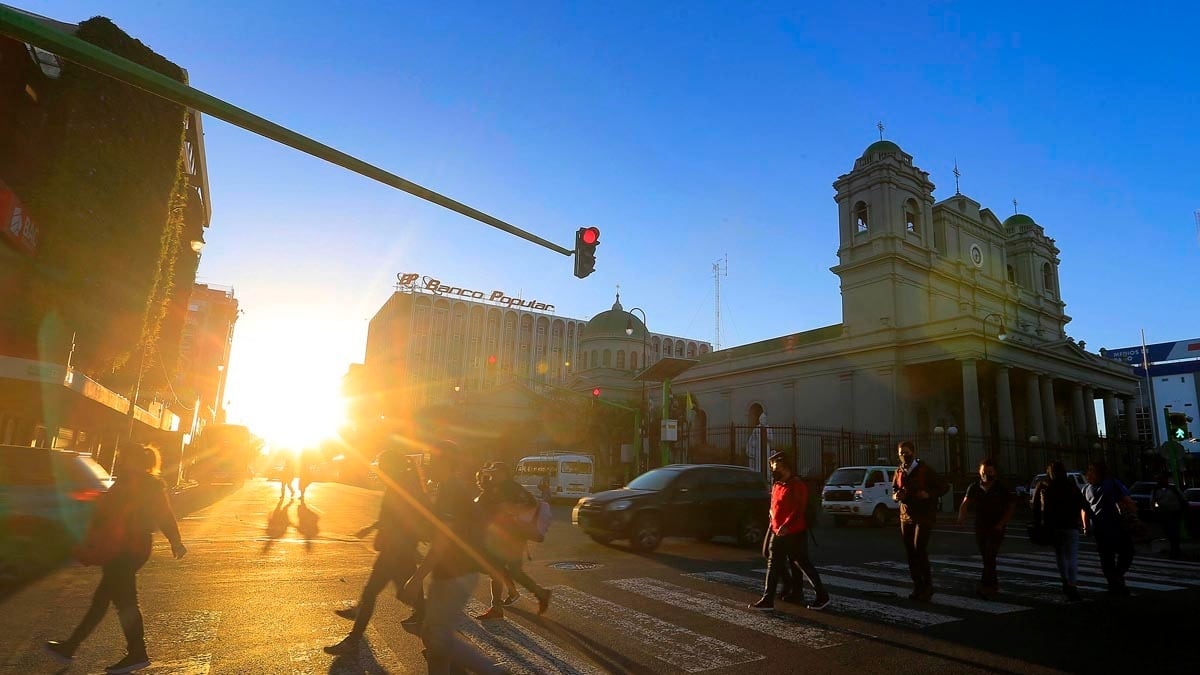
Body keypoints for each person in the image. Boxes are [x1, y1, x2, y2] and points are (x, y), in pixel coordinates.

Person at [44, 445, 187, 675]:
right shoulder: (129, 481)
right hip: (121, 546)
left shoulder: (147, 484)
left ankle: (137, 653)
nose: (121, 460)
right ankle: (71, 646)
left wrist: (176, 541)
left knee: (124, 602)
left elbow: (164, 515)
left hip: (129, 548)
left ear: (137, 461)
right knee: (103, 600)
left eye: (125, 457)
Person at [401, 442, 503, 674]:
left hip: (455, 574)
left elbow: (442, 541)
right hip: (456, 572)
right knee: (434, 634)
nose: (427, 468)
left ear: (444, 463)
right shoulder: (453, 487)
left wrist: (416, 578)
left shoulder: (451, 490)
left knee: (437, 637)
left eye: (432, 462)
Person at [324, 451, 429, 655]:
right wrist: (372, 528)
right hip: (396, 549)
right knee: (391, 593)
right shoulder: (401, 484)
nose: (379, 470)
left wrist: (397, 541)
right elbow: (392, 517)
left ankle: (434, 629)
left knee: (394, 593)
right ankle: (431, 626)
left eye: (382, 466)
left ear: (392, 467)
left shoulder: (404, 487)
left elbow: (406, 519)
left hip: (397, 550)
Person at [751, 452, 830, 611]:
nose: (773, 471)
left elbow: (798, 509)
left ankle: (769, 599)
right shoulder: (777, 484)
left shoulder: (797, 485)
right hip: (775, 528)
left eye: (776, 468)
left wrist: (786, 525)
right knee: (775, 557)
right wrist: (772, 516)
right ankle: (808, 592)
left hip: (793, 531)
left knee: (793, 562)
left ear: (786, 468)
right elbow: (774, 504)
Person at [474, 462, 551, 620]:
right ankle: (540, 593)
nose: (492, 476)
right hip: (514, 536)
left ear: (504, 473)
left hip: (507, 537)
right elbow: (531, 502)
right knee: (510, 571)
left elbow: (489, 508)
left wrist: (509, 510)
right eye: (491, 473)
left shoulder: (505, 488)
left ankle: (497, 607)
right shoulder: (514, 487)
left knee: (496, 570)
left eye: (495, 473)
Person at [892, 440, 946, 602]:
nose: (903, 456)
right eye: (901, 453)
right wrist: (896, 496)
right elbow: (894, 490)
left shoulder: (925, 470)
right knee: (910, 552)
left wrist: (928, 494)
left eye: (906, 452)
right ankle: (918, 586)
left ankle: (928, 586)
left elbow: (944, 486)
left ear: (913, 453)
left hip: (924, 515)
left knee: (919, 549)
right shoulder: (899, 471)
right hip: (906, 516)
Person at [956, 457, 1016, 599]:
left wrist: (1001, 524)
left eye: (989, 472)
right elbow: (965, 503)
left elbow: (1011, 507)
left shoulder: (1001, 488)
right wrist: (961, 517)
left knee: (990, 554)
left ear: (995, 472)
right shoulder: (974, 487)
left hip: (996, 526)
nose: (986, 475)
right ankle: (992, 584)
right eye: (983, 472)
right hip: (980, 526)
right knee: (986, 557)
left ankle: (986, 586)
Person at [1033, 461, 1087, 601]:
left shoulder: (1044, 485)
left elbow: (1035, 507)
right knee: (1072, 556)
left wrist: (1037, 524)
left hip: (1053, 526)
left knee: (1060, 555)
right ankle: (1072, 584)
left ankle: (1064, 581)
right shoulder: (1070, 485)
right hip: (1071, 525)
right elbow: (1083, 503)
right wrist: (1087, 523)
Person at [1082, 461, 1136, 596]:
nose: (1089, 473)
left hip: (1099, 528)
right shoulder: (1112, 483)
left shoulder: (1086, 489)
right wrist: (1135, 517)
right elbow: (1127, 501)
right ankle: (1117, 577)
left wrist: (1085, 527)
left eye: (1090, 471)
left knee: (1107, 558)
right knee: (1127, 551)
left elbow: (1084, 510)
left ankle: (1114, 583)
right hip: (1116, 525)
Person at [1151, 471, 1187, 559]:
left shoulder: (1173, 489)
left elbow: (1182, 499)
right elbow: (1153, 502)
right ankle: (1174, 549)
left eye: (1162, 479)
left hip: (1174, 513)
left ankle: (1176, 550)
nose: (1161, 481)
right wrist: (1156, 510)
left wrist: (1183, 509)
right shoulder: (1156, 490)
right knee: (1169, 532)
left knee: (1174, 531)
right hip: (1164, 514)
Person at [745, 413, 773, 481]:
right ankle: (758, 476)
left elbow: (771, 438)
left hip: (766, 449)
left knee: (767, 462)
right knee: (758, 463)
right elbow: (752, 439)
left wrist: (766, 437)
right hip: (758, 449)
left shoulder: (768, 428)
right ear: (760, 420)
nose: (764, 420)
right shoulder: (756, 429)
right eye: (763, 419)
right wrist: (753, 444)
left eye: (765, 419)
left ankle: (767, 477)